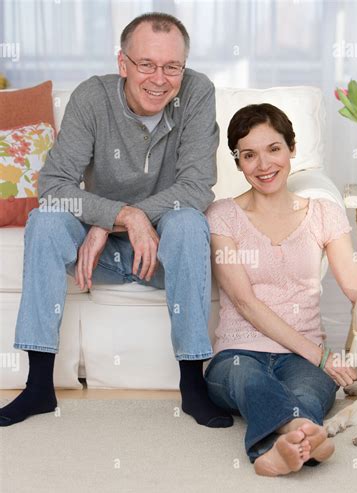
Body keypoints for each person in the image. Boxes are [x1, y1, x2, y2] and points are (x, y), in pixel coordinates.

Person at [0, 12, 233, 429]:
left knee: (188, 222)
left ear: (184, 66)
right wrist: (119, 216)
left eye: (171, 67)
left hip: (162, 253)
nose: (159, 79)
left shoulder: (197, 93)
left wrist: (127, 218)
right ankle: (38, 387)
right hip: (100, 258)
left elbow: (197, 186)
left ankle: (193, 387)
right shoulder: (92, 98)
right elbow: (53, 186)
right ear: (122, 63)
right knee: (46, 220)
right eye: (146, 64)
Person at [204, 103, 357, 476]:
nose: (263, 165)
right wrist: (322, 356)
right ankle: (303, 435)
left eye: (274, 149)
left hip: (304, 360)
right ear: (238, 163)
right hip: (238, 352)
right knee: (249, 380)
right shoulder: (222, 216)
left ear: (292, 148)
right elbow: (246, 304)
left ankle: (283, 448)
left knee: (311, 393)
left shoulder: (323, 214)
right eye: (249, 155)